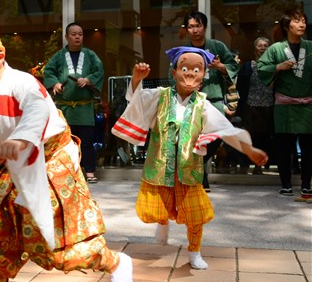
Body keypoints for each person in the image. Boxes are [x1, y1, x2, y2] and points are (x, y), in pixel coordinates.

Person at [0, 8, 133, 282]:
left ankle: (114, 262)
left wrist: (21, 138)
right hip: (13, 165)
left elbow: (36, 112)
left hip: (49, 162)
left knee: (50, 246)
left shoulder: (22, 84)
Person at [113, 47, 268, 270]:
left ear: (203, 74)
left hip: (189, 168)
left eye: (197, 69)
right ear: (174, 71)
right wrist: (137, 79)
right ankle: (163, 222)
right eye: (184, 68)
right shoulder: (159, 96)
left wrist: (249, 150)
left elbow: (224, 129)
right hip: (161, 165)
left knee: (196, 214)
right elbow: (136, 101)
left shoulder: (203, 104)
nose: (190, 73)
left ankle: (194, 251)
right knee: (157, 209)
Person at [174, 11, 239, 191]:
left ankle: (198, 165)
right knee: (193, 138)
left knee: (219, 134)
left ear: (205, 26)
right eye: (191, 27)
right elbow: (176, 75)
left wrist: (220, 67)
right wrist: (187, 85)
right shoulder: (184, 52)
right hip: (192, 101)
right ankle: (202, 180)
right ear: (186, 30)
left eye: (198, 26)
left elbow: (234, 67)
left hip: (215, 100)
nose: (195, 30)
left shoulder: (217, 46)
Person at [257, 8, 311, 198]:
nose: (302, 23)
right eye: (297, 21)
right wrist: (278, 66)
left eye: (303, 20)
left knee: (308, 147)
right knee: (284, 146)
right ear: (287, 25)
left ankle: (306, 184)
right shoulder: (276, 49)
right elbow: (261, 68)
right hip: (284, 104)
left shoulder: (311, 47)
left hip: (308, 105)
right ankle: (286, 184)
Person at [43, 23, 104, 183]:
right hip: (65, 109)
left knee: (87, 142)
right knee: (66, 143)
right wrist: (55, 83)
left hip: (84, 108)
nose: (77, 37)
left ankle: (89, 172)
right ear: (67, 37)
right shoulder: (58, 56)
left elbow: (99, 71)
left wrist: (89, 80)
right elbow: (48, 71)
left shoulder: (90, 55)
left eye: (80, 34)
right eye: (74, 34)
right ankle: (68, 172)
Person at [236, 36, 274, 175]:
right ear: (254, 48)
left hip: (269, 106)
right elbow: (240, 86)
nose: (263, 48)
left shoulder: (275, 66)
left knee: (264, 138)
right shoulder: (248, 66)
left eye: (266, 45)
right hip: (251, 106)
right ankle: (244, 165)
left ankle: (260, 166)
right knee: (249, 137)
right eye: (260, 45)